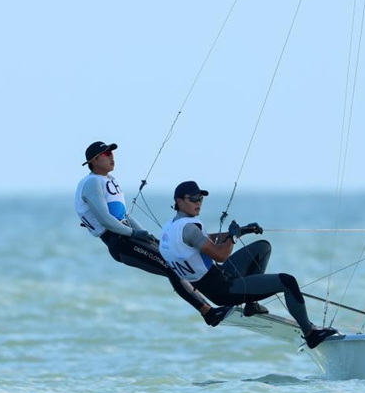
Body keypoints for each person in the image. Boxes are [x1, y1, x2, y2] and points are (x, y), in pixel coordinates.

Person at [75, 141, 247, 328]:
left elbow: (123, 216)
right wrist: (134, 233)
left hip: (128, 237)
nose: (111, 156)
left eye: (111, 152)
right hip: (120, 242)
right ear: (94, 160)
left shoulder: (109, 180)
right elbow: (106, 220)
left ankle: (221, 296)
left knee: (177, 263)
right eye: (106, 154)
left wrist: (145, 234)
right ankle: (208, 312)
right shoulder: (91, 183)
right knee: (172, 267)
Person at [158, 180, 338, 349]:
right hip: (224, 290)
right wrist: (233, 237)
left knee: (262, 247)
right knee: (288, 282)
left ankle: (251, 304)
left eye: (201, 198)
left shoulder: (171, 227)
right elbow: (220, 255)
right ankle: (311, 333)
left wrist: (241, 231)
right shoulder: (189, 228)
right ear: (179, 201)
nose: (199, 202)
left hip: (218, 277)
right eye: (193, 198)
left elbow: (204, 240)